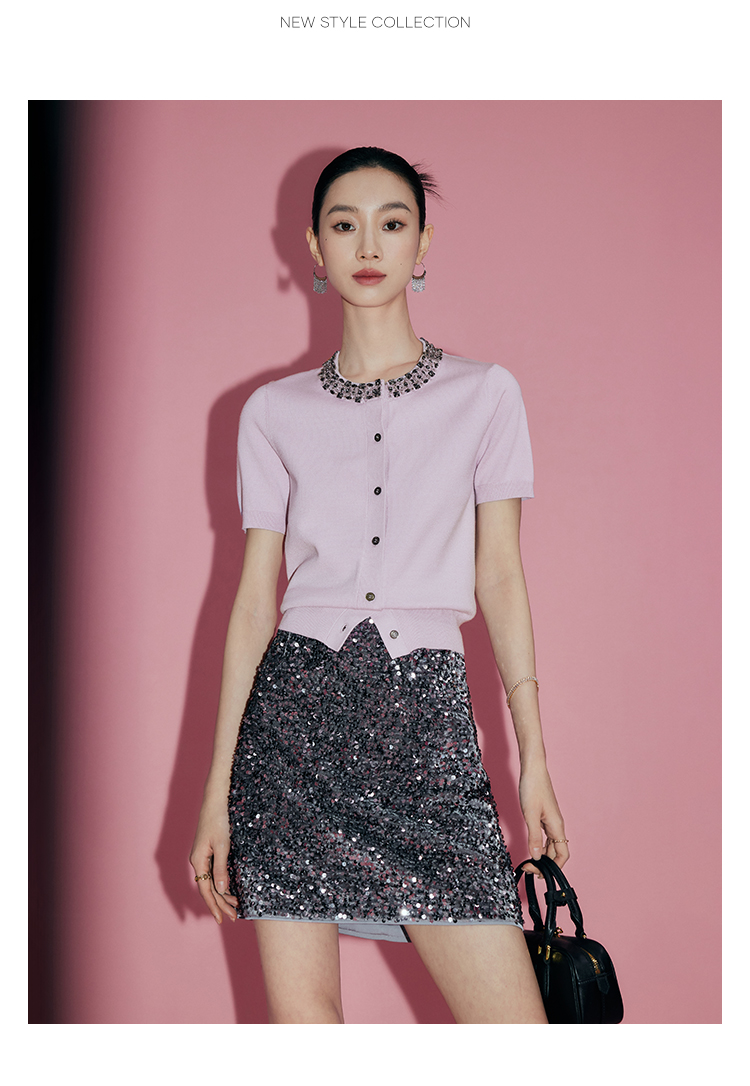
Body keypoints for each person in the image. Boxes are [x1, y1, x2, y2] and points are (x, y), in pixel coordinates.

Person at [189, 147, 568, 1024]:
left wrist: (533, 757)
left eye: (392, 223)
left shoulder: (486, 394)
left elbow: (501, 575)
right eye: (344, 224)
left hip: (426, 726)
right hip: (291, 736)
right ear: (314, 249)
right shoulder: (271, 413)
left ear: (422, 243)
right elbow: (253, 603)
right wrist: (217, 792)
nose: (368, 244)